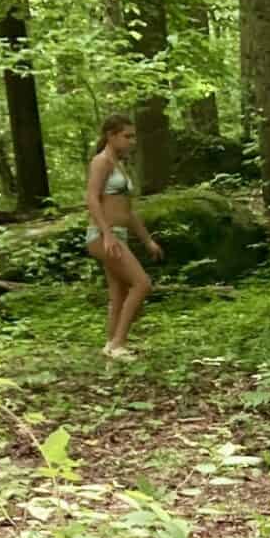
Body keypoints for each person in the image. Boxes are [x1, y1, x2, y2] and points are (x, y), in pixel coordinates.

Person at [85, 114, 164, 359]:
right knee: (142, 284)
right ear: (111, 135)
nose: (133, 141)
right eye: (127, 136)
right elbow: (91, 198)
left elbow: (128, 213)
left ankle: (110, 344)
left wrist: (147, 240)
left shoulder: (120, 165)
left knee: (119, 291)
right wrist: (106, 234)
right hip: (103, 235)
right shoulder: (101, 162)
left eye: (133, 136)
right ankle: (119, 344)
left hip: (118, 234)